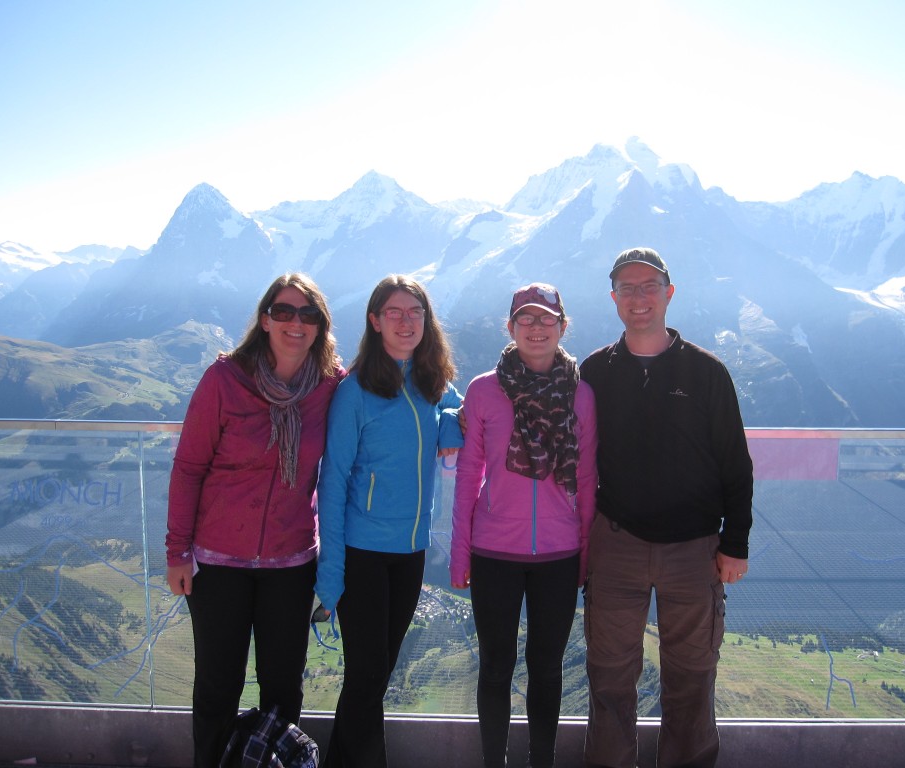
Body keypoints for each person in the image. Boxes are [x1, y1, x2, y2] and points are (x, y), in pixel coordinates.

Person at [580, 247, 754, 768]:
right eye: (627, 288)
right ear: (613, 299)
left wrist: (735, 544)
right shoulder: (593, 372)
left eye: (648, 286)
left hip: (695, 548)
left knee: (693, 676)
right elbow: (576, 459)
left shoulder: (707, 372)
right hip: (616, 543)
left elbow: (735, 463)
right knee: (609, 676)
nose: (638, 297)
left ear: (669, 293)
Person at [165, 273, 345, 768]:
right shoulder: (225, 380)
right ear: (264, 320)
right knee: (218, 685)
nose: (295, 323)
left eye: (308, 315)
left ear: (320, 326)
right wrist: (176, 550)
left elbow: (383, 397)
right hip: (217, 562)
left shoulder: (331, 385)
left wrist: (451, 415)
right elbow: (188, 468)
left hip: (291, 563)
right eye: (284, 312)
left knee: (284, 687)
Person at [315, 274, 463, 767]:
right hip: (363, 550)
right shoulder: (355, 391)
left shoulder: (429, 381)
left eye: (415, 312)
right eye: (394, 313)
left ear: (427, 322)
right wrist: (330, 576)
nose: (406, 322)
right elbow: (332, 483)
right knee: (366, 674)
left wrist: (448, 419)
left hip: (411, 550)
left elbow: (456, 408)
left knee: (376, 675)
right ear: (375, 321)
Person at [450, 283, 598, 768]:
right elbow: (469, 476)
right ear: (511, 328)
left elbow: (588, 478)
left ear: (562, 326)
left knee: (547, 669)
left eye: (547, 318)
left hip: (558, 554)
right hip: (494, 552)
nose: (537, 327)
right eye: (526, 319)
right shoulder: (483, 390)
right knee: (495, 667)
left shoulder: (583, 395)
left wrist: (586, 554)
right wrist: (460, 552)